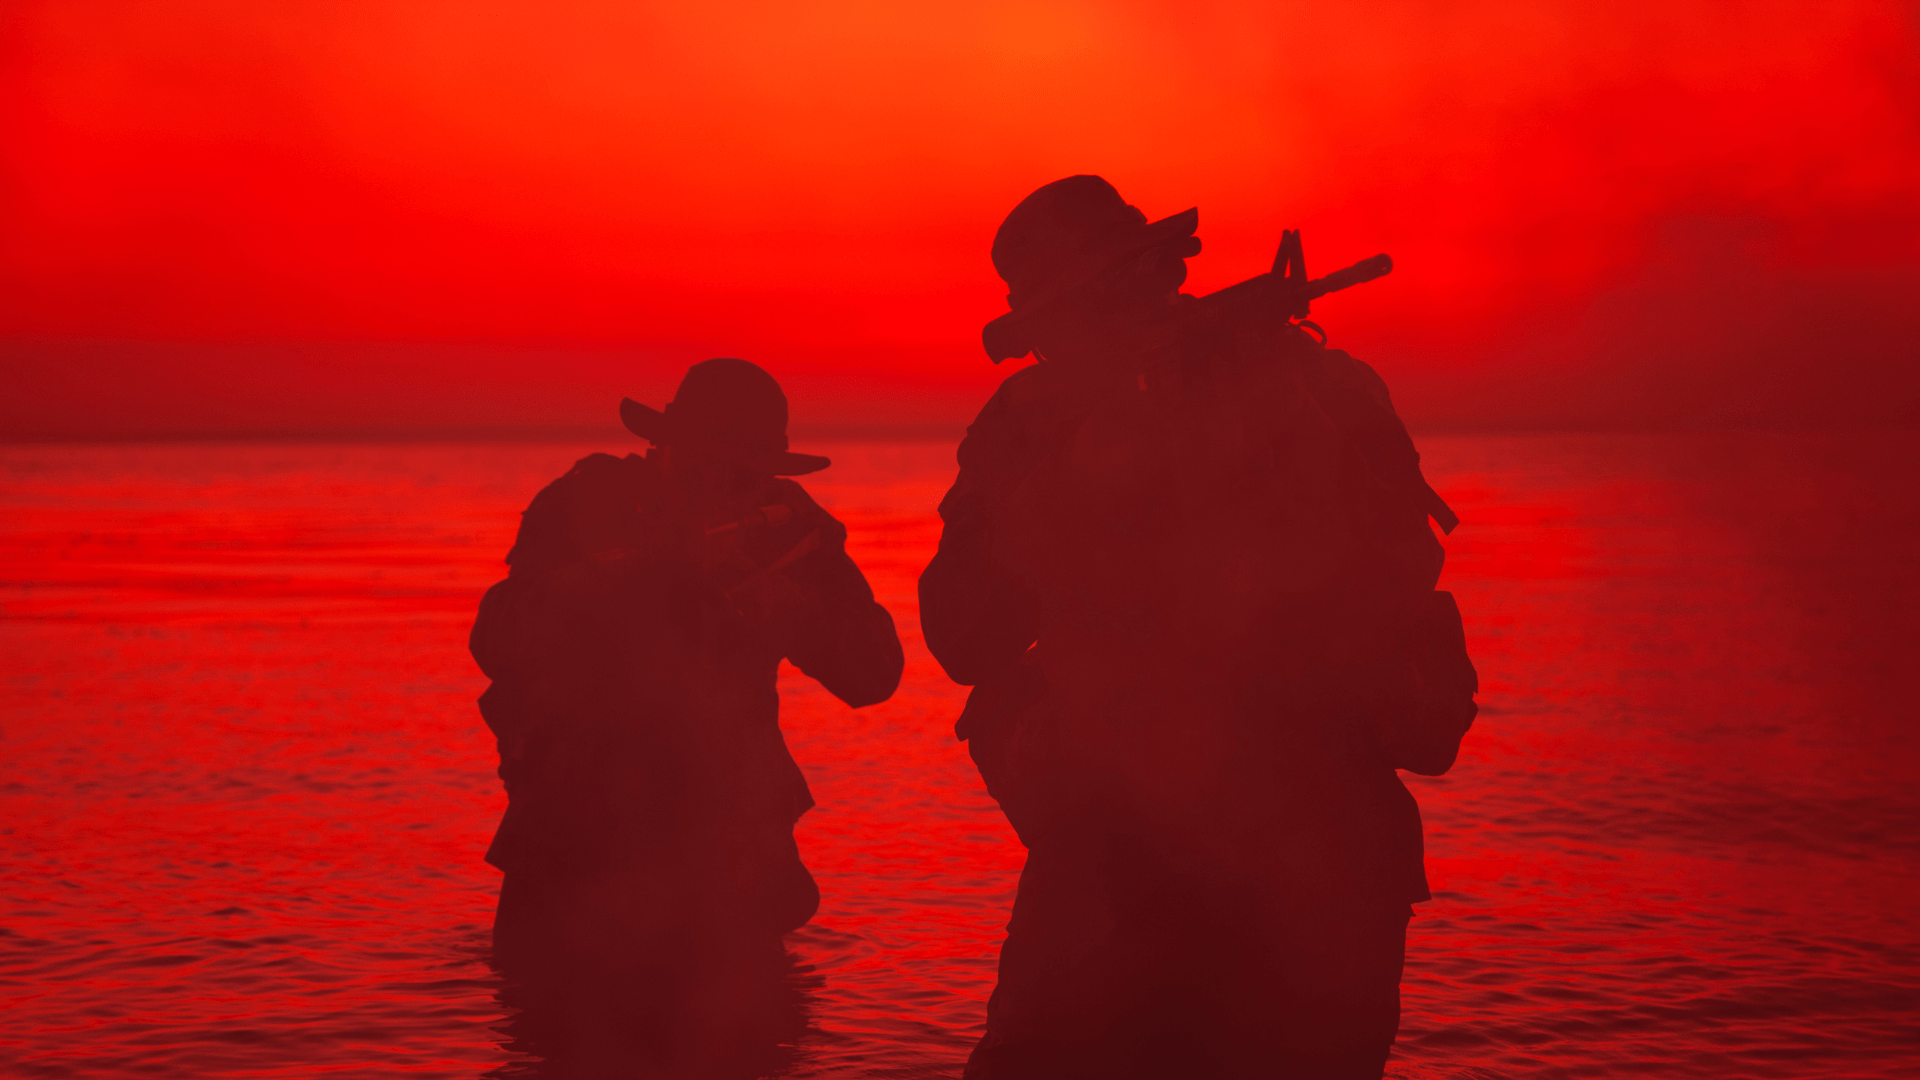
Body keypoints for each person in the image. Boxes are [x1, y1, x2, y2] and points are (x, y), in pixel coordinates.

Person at [919, 176, 1479, 1079]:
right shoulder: (1033, 429)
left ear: (1153, 279)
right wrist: (1080, 473)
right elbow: (961, 638)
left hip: (1311, 857)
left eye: (1088, 310)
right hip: (1113, 862)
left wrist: (1239, 444)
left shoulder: (1311, 389)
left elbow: (1399, 573)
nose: (1067, 346)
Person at [469, 357, 903, 1073]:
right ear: (663, 447)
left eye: (742, 473)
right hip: (572, 848)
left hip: (723, 861)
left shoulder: (788, 526)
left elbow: (875, 674)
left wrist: (783, 605)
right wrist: (611, 583)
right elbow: (496, 639)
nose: (720, 487)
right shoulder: (589, 502)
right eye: (705, 465)